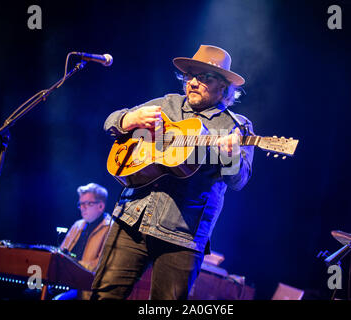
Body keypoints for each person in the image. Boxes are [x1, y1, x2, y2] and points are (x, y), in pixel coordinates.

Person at [91, 45, 254, 300]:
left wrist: (231, 155)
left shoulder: (236, 126)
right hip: (132, 219)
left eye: (205, 78)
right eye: (191, 76)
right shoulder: (166, 104)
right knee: (103, 296)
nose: (194, 82)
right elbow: (111, 122)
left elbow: (239, 180)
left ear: (223, 87)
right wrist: (129, 120)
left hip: (183, 236)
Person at [54, 182, 113, 300]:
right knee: (30, 292)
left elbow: (100, 265)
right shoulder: (78, 225)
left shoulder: (111, 228)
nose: (82, 208)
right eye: (81, 204)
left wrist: (72, 267)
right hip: (65, 281)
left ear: (101, 206)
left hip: (87, 289)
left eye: (87, 204)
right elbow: (61, 253)